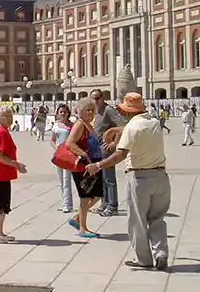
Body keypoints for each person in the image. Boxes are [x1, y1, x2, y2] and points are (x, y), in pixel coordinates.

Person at [84, 92, 170, 271]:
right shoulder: (154, 122)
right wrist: (117, 130)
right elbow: (139, 129)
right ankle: (161, 252)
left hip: (139, 177)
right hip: (160, 176)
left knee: (138, 220)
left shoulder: (131, 127)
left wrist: (98, 165)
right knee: (157, 218)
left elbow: (120, 155)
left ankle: (144, 259)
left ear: (127, 111)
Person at [63, 98, 106, 238]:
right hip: (84, 165)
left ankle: (77, 218)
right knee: (85, 196)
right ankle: (83, 228)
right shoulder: (80, 124)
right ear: (80, 111)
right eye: (87, 110)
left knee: (97, 194)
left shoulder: (88, 125)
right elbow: (69, 143)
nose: (90, 112)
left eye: (92, 110)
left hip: (94, 163)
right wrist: (84, 155)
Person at [0, 105, 27, 244]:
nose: (10, 118)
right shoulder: (1, 132)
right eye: (7, 116)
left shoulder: (0, 130)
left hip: (0, 173)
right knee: (1, 205)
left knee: (5, 205)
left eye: (11, 115)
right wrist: (17, 165)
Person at [91, 97, 125, 217]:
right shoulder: (96, 111)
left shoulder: (108, 110)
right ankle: (104, 204)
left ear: (102, 98)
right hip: (97, 150)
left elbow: (122, 126)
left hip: (106, 150)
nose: (94, 101)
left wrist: (114, 142)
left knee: (109, 178)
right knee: (102, 178)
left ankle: (112, 206)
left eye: (96, 98)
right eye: (92, 98)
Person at [49, 104, 76, 214]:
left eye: (65, 112)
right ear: (58, 113)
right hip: (59, 155)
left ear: (68, 113)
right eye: (61, 112)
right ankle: (64, 202)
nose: (63, 114)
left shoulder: (72, 125)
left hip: (68, 155)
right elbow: (52, 140)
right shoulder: (56, 125)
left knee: (66, 180)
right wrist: (57, 149)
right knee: (61, 181)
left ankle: (68, 205)